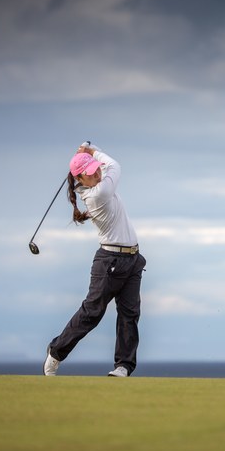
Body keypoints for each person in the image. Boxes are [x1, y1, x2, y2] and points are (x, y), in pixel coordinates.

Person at [43, 143, 146, 377]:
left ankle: (123, 366)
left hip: (132, 260)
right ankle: (56, 352)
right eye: (91, 173)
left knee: (130, 314)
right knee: (92, 312)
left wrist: (90, 155)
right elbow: (115, 165)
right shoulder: (98, 194)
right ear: (81, 177)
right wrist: (93, 150)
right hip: (110, 262)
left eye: (97, 169)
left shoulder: (97, 186)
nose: (98, 173)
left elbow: (108, 167)